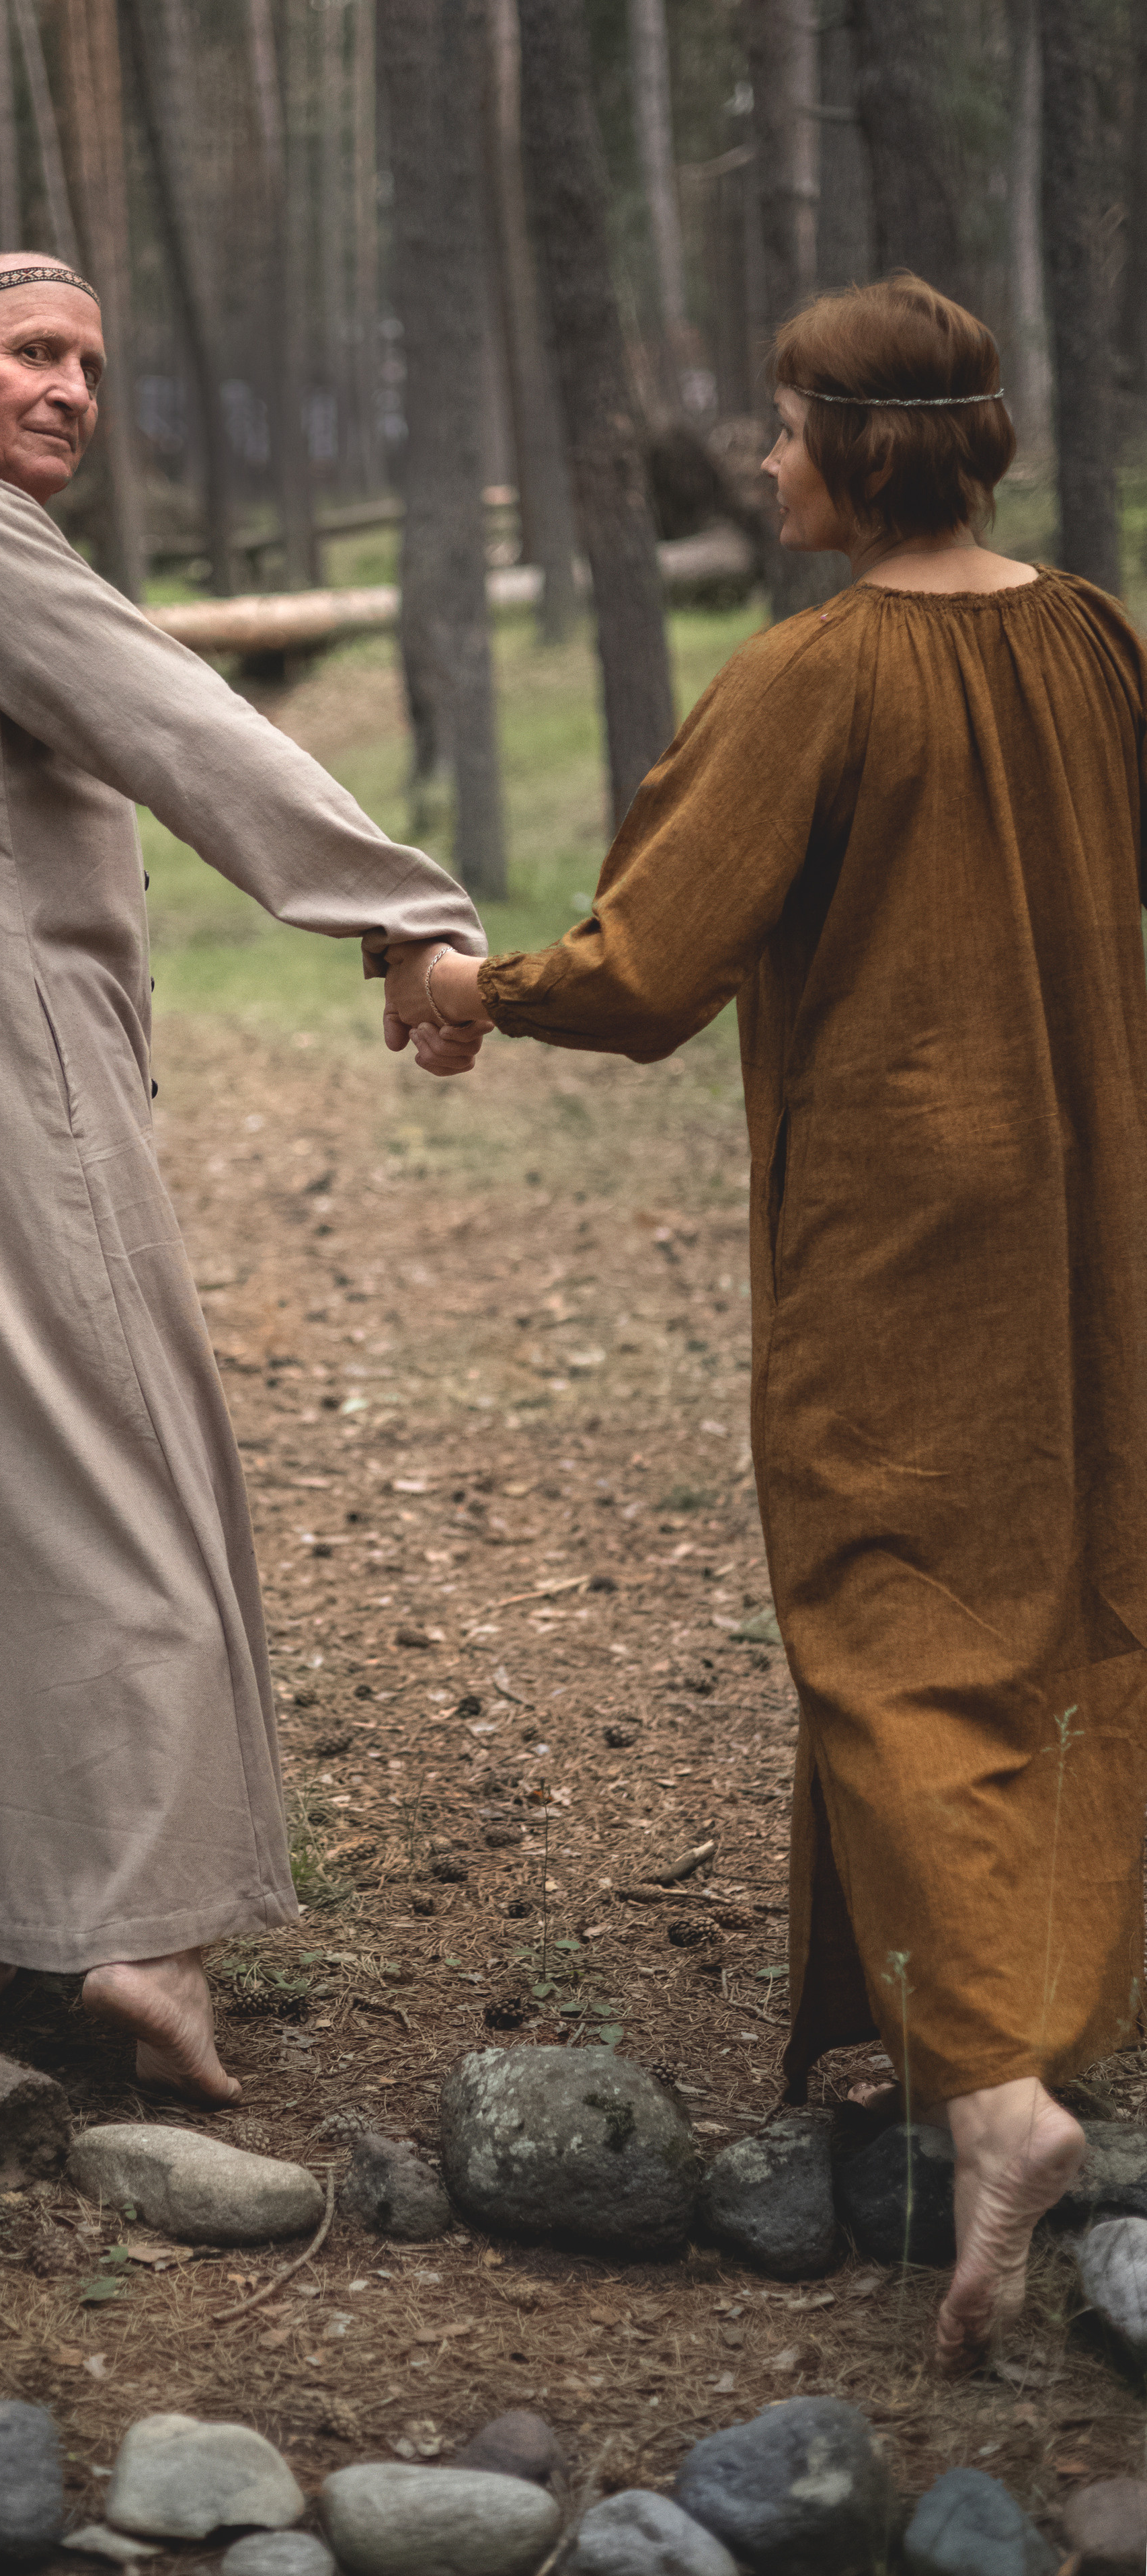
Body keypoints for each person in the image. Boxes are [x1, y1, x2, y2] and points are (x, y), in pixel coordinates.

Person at [385, 272, 1147, 2363]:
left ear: (870, 444)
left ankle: (996, 2096)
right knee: (1053, 1579)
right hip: (1085, 1200)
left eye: (789, 423)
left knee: (881, 1602)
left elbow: (649, 965)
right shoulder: (1088, 632)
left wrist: (475, 989)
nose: (764, 454)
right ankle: (922, 2031)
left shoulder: (819, 675)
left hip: (901, 1217)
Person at [0, 251, 484, 2104]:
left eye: (90, 361)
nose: (71, 386)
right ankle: (139, 1931)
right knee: (111, 1472)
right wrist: (400, 907)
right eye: (32, 354)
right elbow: (172, 717)